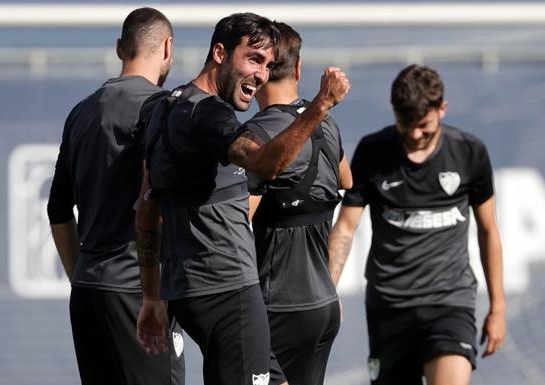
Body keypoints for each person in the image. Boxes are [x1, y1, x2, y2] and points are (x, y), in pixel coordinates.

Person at [135, 12, 350, 385]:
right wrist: (320, 106)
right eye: (253, 59)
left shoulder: (162, 108)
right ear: (220, 53)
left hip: (186, 291)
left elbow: (147, 209)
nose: (262, 75)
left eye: (268, 65)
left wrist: (153, 296)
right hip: (229, 291)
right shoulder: (211, 115)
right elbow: (266, 164)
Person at [329, 64, 506, 385]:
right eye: (405, 124)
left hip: (449, 303)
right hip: (389, 306)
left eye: (424, 125)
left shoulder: (469, 152)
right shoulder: (373, 151)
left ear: (442, 109)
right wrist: (328, 292)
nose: (414, 134)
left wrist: (498, 307)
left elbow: (488, 230)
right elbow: (345, 227)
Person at [46, 8, 185, 385]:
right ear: (168, 48)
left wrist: (82, 278)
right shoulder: (166, 108)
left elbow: (57, 209)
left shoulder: (81, 112)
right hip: (141, 297)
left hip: (90, 293)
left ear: (120, 48)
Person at [244, 21, 352, 385]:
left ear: (260, 71)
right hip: (321, 305)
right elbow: (347, 181)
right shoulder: (329, 125)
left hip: (275, 307)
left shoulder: (258, 136)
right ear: (299, 69)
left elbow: (236, 227)